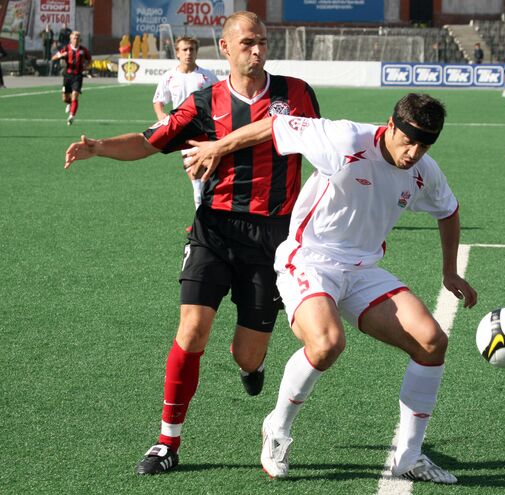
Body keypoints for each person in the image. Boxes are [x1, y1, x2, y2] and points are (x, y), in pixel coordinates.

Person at [64, 11, 320, 475]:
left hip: (271, 236)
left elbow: (302, 134)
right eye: (247, 43)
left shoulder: (295, 94)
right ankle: (166, 442)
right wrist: (99, 146)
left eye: (262, 42)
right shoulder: (205, 103)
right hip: (214, 229)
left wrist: (219, 148)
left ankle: (248, 366)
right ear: (225, 49)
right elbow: (150, 141)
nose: (258, 51)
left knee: (250, 353)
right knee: (192, 330)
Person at [183, 93, 478, 483]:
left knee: (431, 341)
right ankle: (278, 428)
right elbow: (275, 125)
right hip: (309, 260)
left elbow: (448, 209)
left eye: (424, 145)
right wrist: (218, 146)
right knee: (326, 343)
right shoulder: (345, 139)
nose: (413, 152)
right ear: (391, 125)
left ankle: (409, 456)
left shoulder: (424, 170)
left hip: (362, 270)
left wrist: (449, 271)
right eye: (408, 141)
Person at [152, 36, 219, 214]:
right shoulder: (169, 76)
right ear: (177, 53)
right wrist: (162, 117)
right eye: (184, 50)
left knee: (207, 177)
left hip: (206, 131)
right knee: (197, 179)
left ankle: (206, 217)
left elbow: (222, 98)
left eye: (192, 49)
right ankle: (202, 220)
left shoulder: (207, 76)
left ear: (196, 52)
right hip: (183, 131)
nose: (188, 53)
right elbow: (158, 101)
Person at [52, 31, 91, 125]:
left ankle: (72, 116)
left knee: (75, 95)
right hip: (67, 76)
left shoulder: (83, 50)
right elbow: (53, 58)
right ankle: (69, 104)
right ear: (71, 39)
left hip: (78, 76)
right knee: (65, 98)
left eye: (78, 37)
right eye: (75, 37)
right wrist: (61, 55)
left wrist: (86, 66)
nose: (76, 39)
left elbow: (89, 60)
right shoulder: (66, 48)